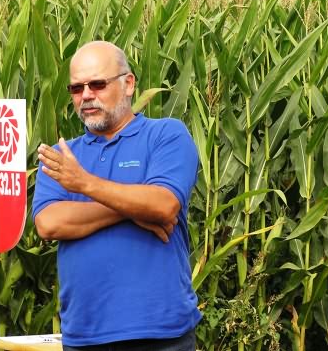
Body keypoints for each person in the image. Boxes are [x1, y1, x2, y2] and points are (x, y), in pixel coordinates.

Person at [32, 41, 201, 351]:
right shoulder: (62, 156)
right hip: (84, 334)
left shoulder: (166, 135)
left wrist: (84, 184)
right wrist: (131, 208)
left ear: (129, 84)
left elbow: (164, 205)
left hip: (160, 335)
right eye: (76, 88)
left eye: (97, 84)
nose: (86, 95)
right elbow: (49, 223)